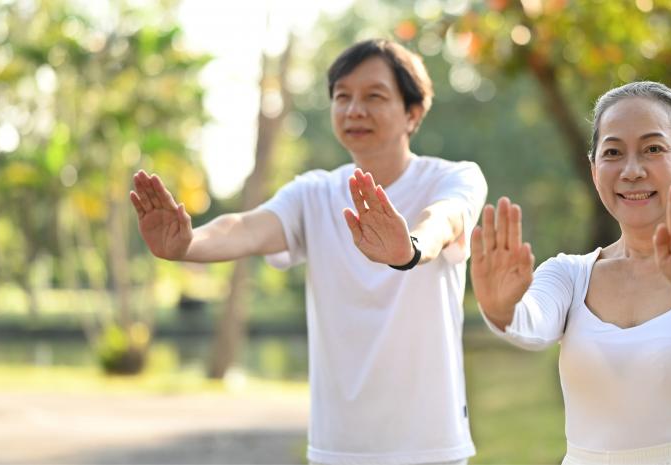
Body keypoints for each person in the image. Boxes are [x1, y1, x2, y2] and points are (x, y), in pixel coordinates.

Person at [130, 39, 486, 465]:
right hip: (337, 448)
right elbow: (245, 227)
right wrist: (188, 244)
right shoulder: (312, 193)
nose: (355, 109)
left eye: (374, 96)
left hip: (430, 445)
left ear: (412, 113)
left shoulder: (454, 178)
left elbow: (442, 221)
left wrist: (407, 248)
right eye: (342, 97)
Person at [470, 81, 671, 465]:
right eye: (613, 153)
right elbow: (531, 324)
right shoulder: (568, 274)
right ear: (594, 170)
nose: (631, 170)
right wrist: (499, 309)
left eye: (653, 149)